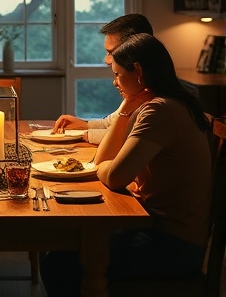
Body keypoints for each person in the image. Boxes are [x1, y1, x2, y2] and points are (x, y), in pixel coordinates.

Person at [40, 34, 212, 296]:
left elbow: (115, 175)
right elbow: (104, 162)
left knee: (58, 261)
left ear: (139, 72)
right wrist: (123, 111)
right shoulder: (161, 104)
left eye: (118, 74)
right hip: (162, 229)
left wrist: (103, 167)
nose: (114, 81)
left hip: (173, 244)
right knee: (62, 249)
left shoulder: (160, 111)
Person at [53, 13, 153, 143]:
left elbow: (124, 137)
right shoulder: (136, 88)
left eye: (111, 52)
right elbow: (111, 122)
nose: (106, 60)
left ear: (133, 49)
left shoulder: (151, 99)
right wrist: (85, 125)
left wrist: (81, 134)